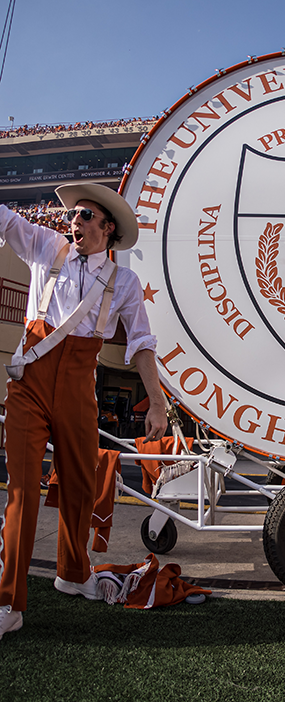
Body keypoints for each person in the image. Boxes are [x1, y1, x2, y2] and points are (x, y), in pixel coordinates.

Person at [0, 183, 168, 641]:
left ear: (107, 228)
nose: (74, 221)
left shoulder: (126, 281)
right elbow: (7, 221)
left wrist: (156, 400)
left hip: (78, 385)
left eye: (86, 216)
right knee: (21, 492)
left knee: (79, 483)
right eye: (73, 215)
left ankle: (73, 574)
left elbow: (141, 344)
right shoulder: (45, 246)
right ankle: (8, 603)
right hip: (30, 382)